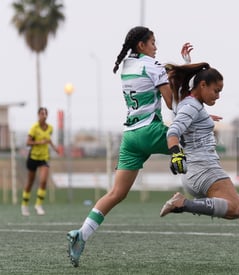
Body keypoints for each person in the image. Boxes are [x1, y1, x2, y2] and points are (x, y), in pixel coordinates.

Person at [66, 26, 193, 267]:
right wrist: (185, 74)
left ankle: (81, 235)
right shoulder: (153, 65)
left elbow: (154, 77)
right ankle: (197, 189)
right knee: (195, 142)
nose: (156, 46)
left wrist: (179, 68)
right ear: (141, 45)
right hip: (150, 131)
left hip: (130, 137)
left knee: (116, 194)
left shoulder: (127, 65)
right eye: (153, 42)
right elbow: (171, 104)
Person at [159, 62, 239, 269]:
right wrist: (175, 154)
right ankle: (182, 204)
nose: (218, 96)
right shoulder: (192, 105)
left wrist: (205, 118)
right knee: (234, 208)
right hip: (203, 168)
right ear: (202, 85)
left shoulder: (190, 103)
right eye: (216, 90)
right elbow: (173, 131)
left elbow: (186, 115)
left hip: (198, 171)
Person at [21, 107, 59, 216]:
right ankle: (24, 205)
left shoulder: (50, 128)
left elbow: (48, 139)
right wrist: (39, 142)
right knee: (30, 182)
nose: (44, 115)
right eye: (42, 113)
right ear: (38, 115)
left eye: (46, 113)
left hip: (44, 158)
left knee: (43, 181)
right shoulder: (34, 128)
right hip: (33, 157)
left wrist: (54, 147)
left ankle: (38, 205)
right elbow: (28, 142)